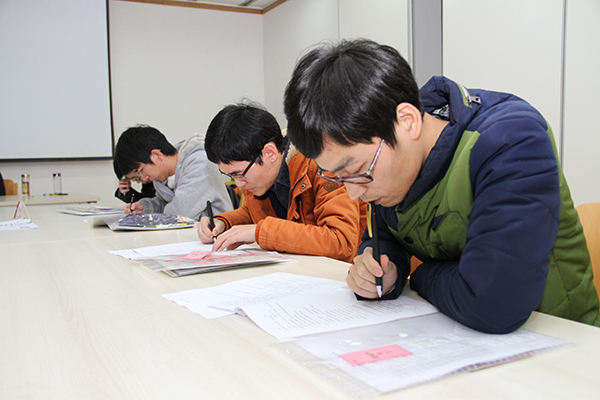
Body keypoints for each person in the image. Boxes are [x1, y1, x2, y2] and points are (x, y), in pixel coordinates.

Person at [283, 39, 600, 333]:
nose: (354, 192)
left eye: (356, 170)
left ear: (408, 121)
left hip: (563, 342)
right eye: (337, 177)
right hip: (458, 336)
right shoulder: (385, 170)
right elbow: (385, 237)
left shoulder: (512, 141)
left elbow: (492, 303)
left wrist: (419, 275)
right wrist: (383, 270)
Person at [197, 102, 367, 263]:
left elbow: (340, 242)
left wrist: (260, 232)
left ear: (269, 153)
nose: (239, 184)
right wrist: (224, 223)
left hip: (346, 273)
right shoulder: (259, 175)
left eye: (240, 174)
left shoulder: (324, 165)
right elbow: (254, 213)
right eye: (231, 176)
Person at [113, 125, 232, 220]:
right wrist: (145, 207)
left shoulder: (199, 162)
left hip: (216, 236)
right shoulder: (161, 178)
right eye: (137, 179)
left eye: (140, 173)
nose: (143, 179)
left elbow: (181, 213)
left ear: (157, 156)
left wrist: (153, 216)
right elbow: (164, 203)